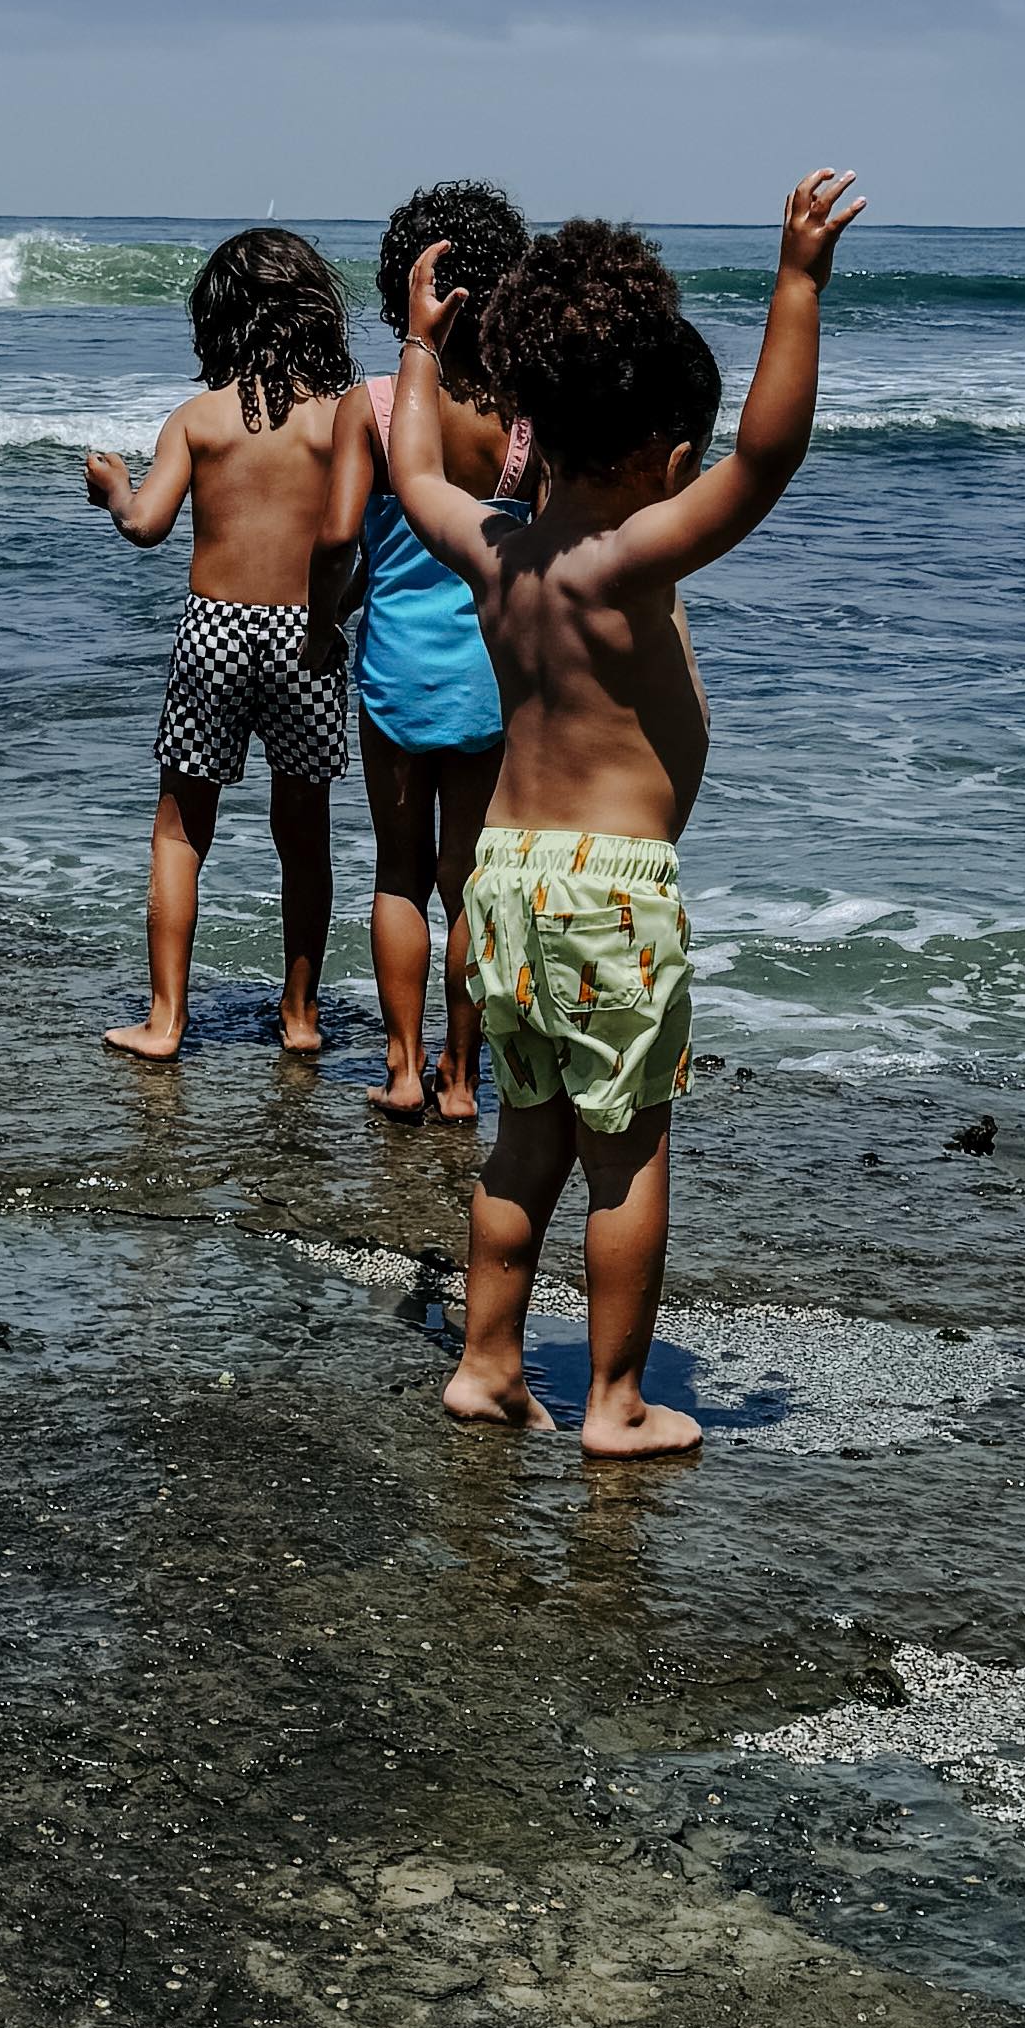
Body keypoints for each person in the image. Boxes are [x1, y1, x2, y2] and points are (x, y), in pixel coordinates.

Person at [383, 172, 864, 1455]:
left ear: (533, 421)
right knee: (629, 1152)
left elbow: (411, 467)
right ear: (661, 457)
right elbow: (770, 455)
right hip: (610, 892)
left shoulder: (496, 552)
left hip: (501, 878)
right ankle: (615, 1402)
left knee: (524, 1139)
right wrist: (798, 284)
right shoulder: (630, 559)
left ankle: (487, 1367)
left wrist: (421, 347)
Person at [84, 223, 356, 1062]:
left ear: (218, 318)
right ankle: (301, 1016)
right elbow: (362, 534)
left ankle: (166, 1021)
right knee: (303, 832)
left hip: (214, 630)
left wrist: (114, 489)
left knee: (180, 828)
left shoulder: (198, 420)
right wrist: (338, 612)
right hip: (307, 631)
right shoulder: (342, 421)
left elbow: (146, 525)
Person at [314, 178, 530, 1125]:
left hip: (396, 672)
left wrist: (326, 617)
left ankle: (402, 1071)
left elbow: (335, 539)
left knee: (398, 872)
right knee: (470, 880)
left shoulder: (370, 406)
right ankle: (462, 1079)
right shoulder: (524, 415)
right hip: (491, 675)